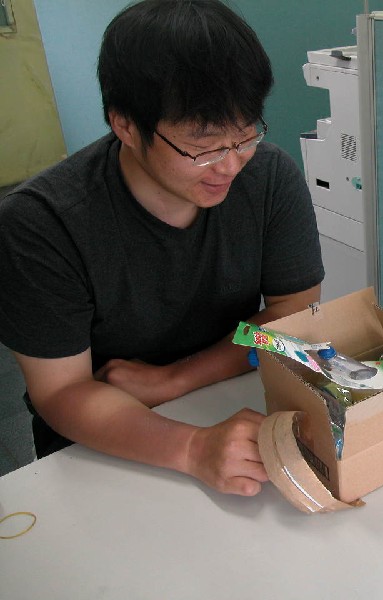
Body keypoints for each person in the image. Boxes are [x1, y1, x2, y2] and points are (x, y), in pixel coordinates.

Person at [0, 0, 324, 496]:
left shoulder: (269, 177)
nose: (230, 165)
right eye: (203, 145)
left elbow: (291, 316)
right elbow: (62, 390)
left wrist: (175, 379)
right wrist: (192, 448)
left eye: (245, 135)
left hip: (229, 403)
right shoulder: (41, 225)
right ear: (126, 126)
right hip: (102, 441)